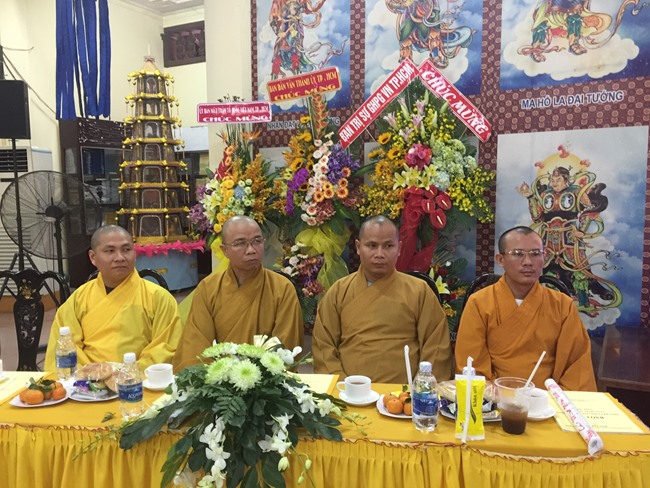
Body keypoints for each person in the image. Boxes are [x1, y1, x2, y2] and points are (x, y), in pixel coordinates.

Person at [312, 215, 452, 384]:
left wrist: (419, 391)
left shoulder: (419, 291)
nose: (380, 254)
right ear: (358, 247)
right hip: (348, 393)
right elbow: (323, 347)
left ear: (399, 248)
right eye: (372, 246)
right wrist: (342, 387)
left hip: (403, 395)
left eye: (388, 246)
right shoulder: (339, 291)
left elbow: (436, 348)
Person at [455, 226, 596, 391]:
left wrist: (553, 400)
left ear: (544, 257)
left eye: (535, 254)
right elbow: (472, 366)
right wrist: (499, 398)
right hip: (494, 400)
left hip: (546, 400)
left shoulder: (562, 305)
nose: (528, 262)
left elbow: (576, 367)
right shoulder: (479, 303)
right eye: (518, 254)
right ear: (500, 259)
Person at [44, 225, 183, 371]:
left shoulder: (159, 298)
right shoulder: (78, 299)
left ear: (135, 253)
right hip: (87, 380)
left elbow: (165, 348)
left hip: (137, 380)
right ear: (93, 257)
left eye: (126, 249)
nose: (120, 258)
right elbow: (64, 346)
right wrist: (92, 374)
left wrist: (129, 374)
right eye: (110, 251)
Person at [173, 216, 303, 370]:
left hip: (266, 378)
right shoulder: (208, 288)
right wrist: (213, 377)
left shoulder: (282, 289)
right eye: (240, 243)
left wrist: (255, 375)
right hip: (219, 377)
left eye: (257, 241)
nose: (251, 250)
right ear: (225, 250)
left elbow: (284, 346)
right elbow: (195, 344)